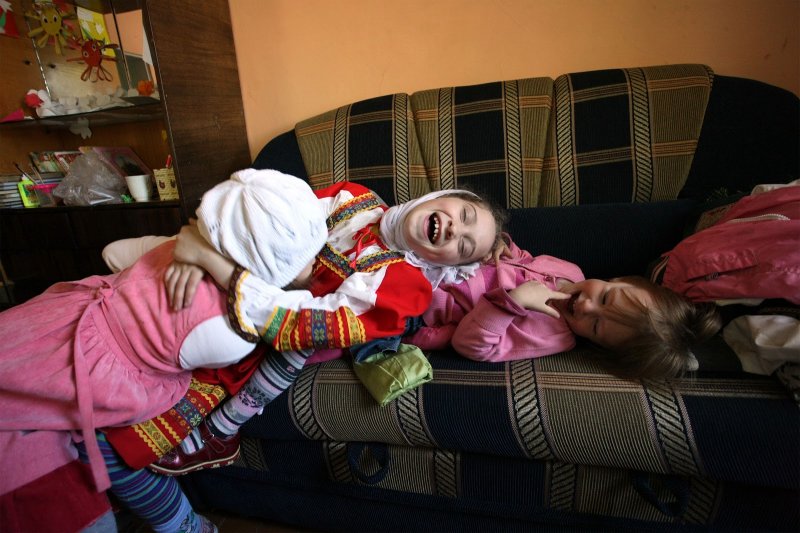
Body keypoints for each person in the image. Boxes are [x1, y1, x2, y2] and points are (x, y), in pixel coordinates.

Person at [0, 168, 329, 533]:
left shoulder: (178, 247)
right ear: (272, 271)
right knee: (111, 450)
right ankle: (181, 525)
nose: (318, 259)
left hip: (51, 322)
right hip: (94, 371)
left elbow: (112, 253)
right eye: (308, 255)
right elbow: (293, 318)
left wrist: (193, 248)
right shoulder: (231, 336)